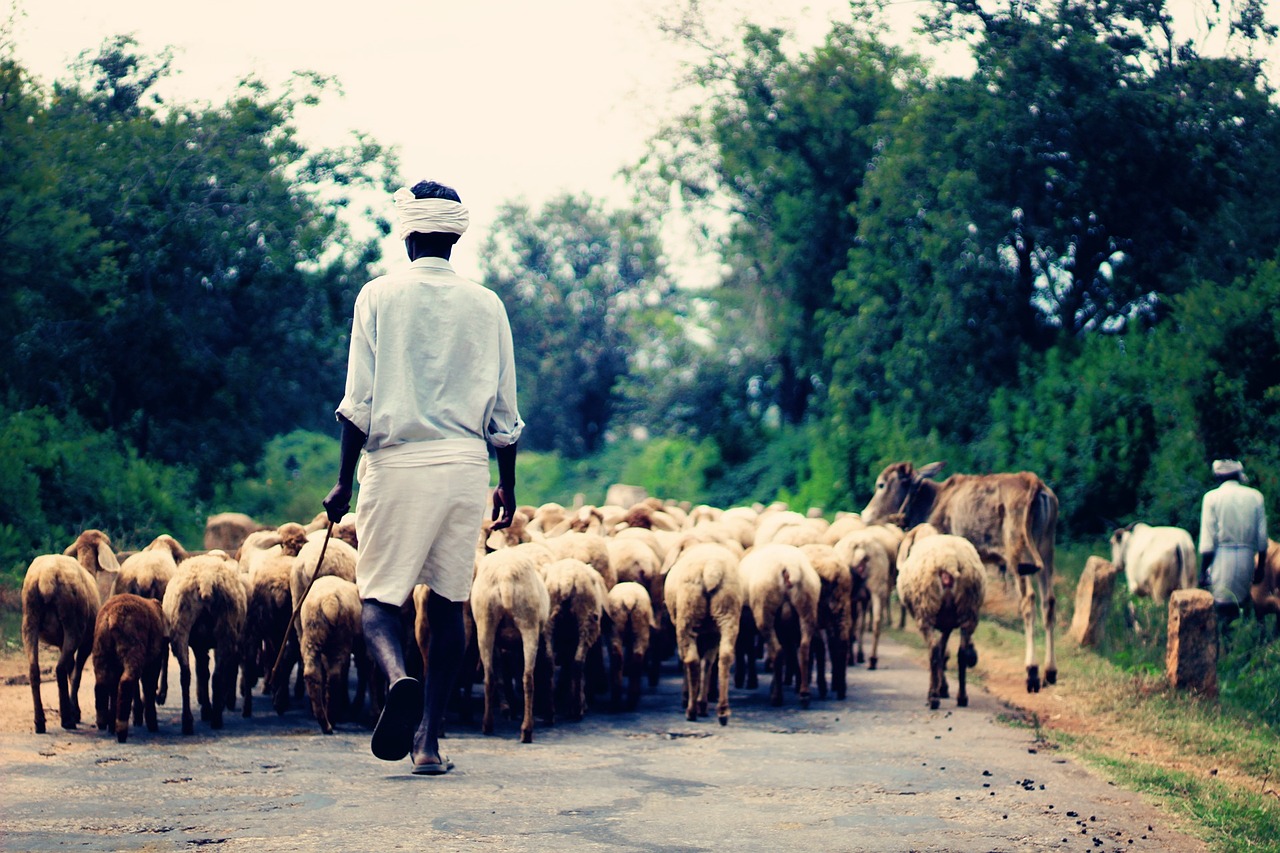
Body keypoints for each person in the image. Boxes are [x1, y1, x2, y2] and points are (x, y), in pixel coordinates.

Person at [322, 179, 522, 775]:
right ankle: (429, 742)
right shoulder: (487, 304)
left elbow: (358, 400)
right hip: (464, 467)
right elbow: (505, 414)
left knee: (378, 601)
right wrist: (506, 485)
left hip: (396, 462)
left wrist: (342, 481)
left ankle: (396, 676)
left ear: (407, 232)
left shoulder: (377, 297)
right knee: (449, 603)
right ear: (455, 235)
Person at [1198, 458, 1267, 632]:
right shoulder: (1255, 497)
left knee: (1222, 608)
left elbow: (1208, 542)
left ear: (1218, 477)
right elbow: (1262, 540)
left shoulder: (1211, 498)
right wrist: (1261, 568)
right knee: (1242, 604)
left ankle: (1226, 649)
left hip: (1222, 558)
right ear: (1238, 474)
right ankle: (1245, 647)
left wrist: (1202, 572)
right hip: (1247, 557)